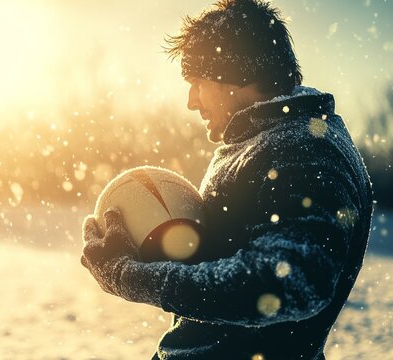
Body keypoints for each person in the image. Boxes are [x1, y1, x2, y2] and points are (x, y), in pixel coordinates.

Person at [80, 0, 373, 359]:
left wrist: (131, 277)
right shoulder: (269, 140)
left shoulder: (305, 151)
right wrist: (154, 246)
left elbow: (289, 284)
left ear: (236, 72)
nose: (191, 101)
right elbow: (230, 260)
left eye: (197, 83)